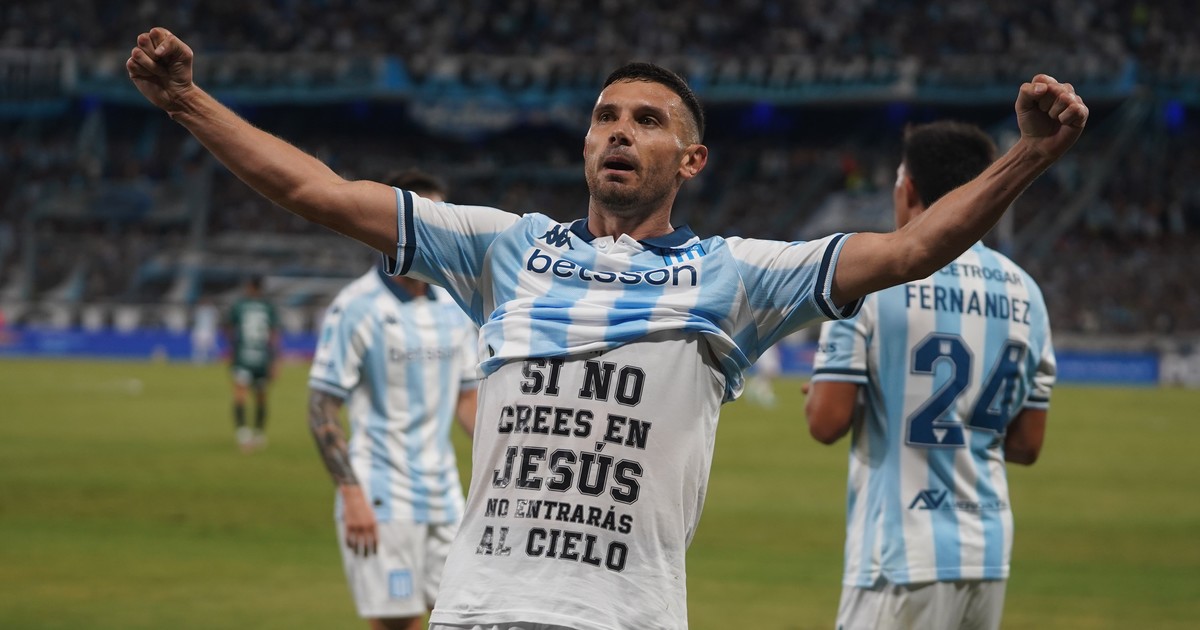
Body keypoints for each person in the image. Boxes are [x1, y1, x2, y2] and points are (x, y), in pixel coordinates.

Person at [127, 27, 1087, 629]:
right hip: (475, 610)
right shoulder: (502, 249)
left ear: (692, 159)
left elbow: (909, 250)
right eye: (605, 116)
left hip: (622, 617)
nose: (620, 130)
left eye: (648, 119)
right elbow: (321, 192)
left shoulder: (737, 276)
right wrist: (186, 102)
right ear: (585, 143)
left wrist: (1029, 157)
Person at [804, 121, 1055, 630]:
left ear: (909, 189)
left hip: (900, 555)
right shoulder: (1026, 291)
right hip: (987, 554)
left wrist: (837, 395)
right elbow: (1027, 444)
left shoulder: (870, 277)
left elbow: (826, 422)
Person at [307, 170, 479, 630]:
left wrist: (506, 457)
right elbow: (322, 406)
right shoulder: (357, 306)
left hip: (445, 496)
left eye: (441, 220)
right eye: (423, 221)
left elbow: (467, 398)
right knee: (398, 623)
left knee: (464, 617)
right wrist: (352, 495)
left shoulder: (454, 305)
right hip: (382, 497)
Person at [224, 275, 280, 452]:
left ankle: (243, 434)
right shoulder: (268, 307)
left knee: (240, 395)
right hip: (262, 358)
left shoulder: (239, 305)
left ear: (251, 287)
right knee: (261, 397)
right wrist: (275, 360)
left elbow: (228, 328)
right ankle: (259, 434)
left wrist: (233, 348)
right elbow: (274, 335)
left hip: (243, 357)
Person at [191, 297, 220, 363]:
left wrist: (214, 328)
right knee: (199, 346)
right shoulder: (198, 309)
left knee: (211, 346)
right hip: (199, 330)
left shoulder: (212, 310)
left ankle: (214, 358)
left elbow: (216, 319)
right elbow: (194, 319)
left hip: (209, 330)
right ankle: (199, 359)